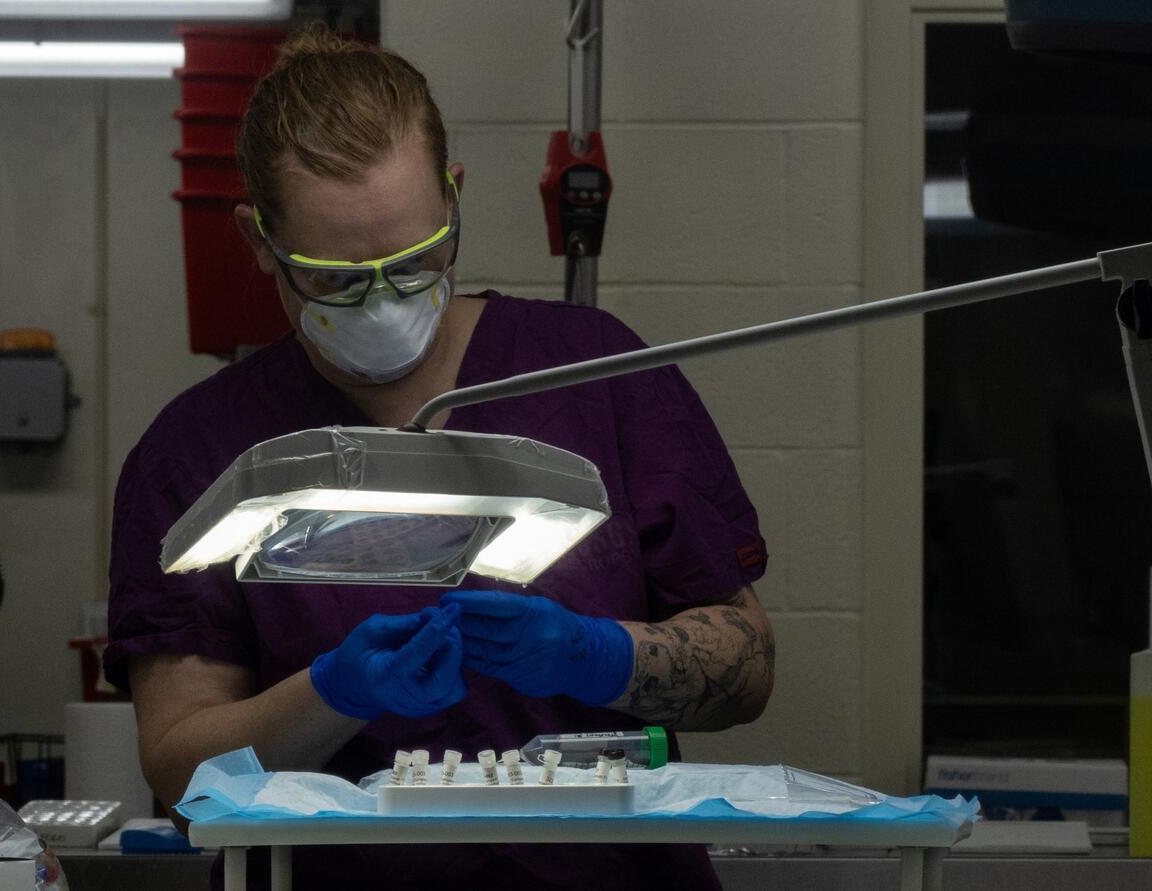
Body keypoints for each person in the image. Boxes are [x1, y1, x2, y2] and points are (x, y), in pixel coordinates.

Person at [106, 25, 774, 890]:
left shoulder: (600, 376)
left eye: (415, 260)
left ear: (453, 195)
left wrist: (601, 655)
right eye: (339, 278)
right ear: (258, 239)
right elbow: (180, 770)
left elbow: (749, 669)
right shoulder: (198, 452)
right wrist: (334, 691)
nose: (385, 301)